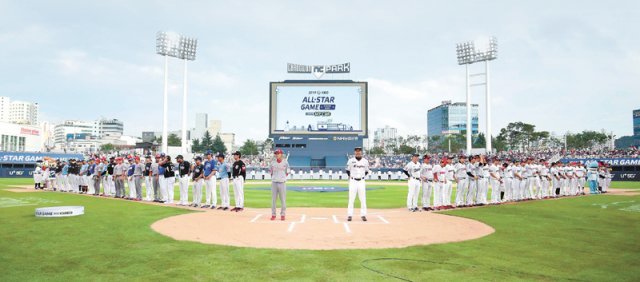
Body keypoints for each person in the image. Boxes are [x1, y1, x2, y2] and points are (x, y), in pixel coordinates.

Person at [346, 147, 369, 221]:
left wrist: (361, 177)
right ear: (354, 152)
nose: (358, 153)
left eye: (359, 152)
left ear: (361, 152)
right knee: (351, 198)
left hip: (361, 181)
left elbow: (366, 171)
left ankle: (363, 215)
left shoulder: (365, 161)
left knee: (362, 199)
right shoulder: (350, 161)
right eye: (356, 151)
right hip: (353, 181)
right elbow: (347, 170)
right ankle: (349, 215)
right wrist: (351, 176)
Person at [269, 149, 289, 220]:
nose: (276, 155)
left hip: (282, 183)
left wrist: (282, 178)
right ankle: (273, 214)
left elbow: (287, 172)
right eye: (276, 153)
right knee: (273, 200)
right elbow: (270, 172)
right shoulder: (272, 163)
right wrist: (275, 178)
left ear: (281, 154)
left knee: (283, 200)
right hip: (274, 182)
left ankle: (283, 214)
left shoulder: (285, 162)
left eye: (278, 153)